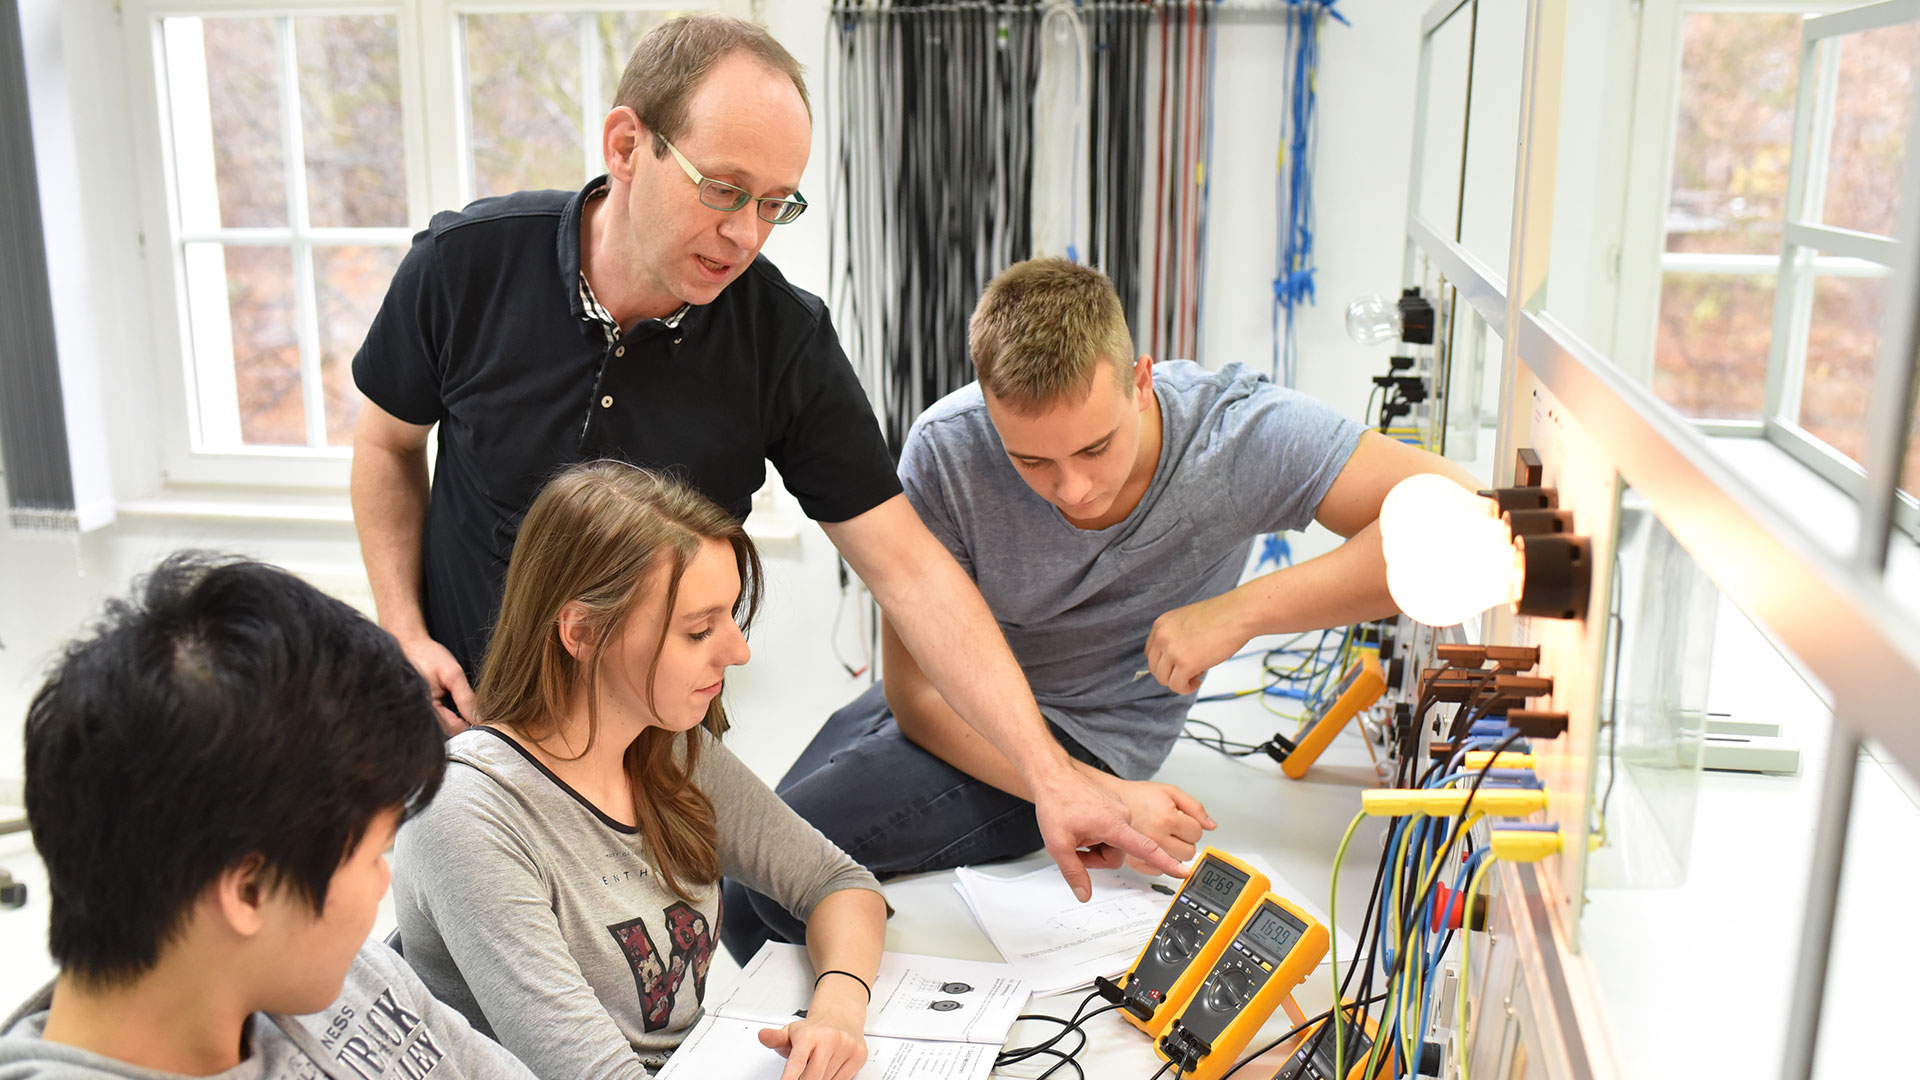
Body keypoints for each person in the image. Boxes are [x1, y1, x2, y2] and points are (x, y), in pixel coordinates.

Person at [349, 12, 1176, 899]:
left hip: (647, 764)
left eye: (776, 203)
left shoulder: (783, 341)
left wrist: (1053, 780)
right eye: (724, 190)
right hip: (462, 737)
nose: (747, 234)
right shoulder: (464, 266)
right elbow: (387, 445)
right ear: (627, 145)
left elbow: (911, 572)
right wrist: (404, 631)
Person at [722, 258, 1479, 961]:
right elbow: (916, 696)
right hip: (964, 707)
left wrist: (1242, 612)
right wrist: (1100, 798)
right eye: (1031, 461)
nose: (1073, 489)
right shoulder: (948, 448)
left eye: (1094, 448)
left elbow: (1465, 515)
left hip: (1085, 732)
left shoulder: (1236, 436)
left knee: (767, 887)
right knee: (742, 865)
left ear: (1142, 380)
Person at [390, 462, 884, 1080]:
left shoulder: (668, 749)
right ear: (582, 632)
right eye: (698, 630)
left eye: (730, 617)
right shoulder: (466, 816)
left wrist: (837, 1011)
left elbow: (838, 883)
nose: (738, 651)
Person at [0, 553, 537, 1080]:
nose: (383, 882)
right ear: (250, 891)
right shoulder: (308, 962)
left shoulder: (343, 972)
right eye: (372, 855)